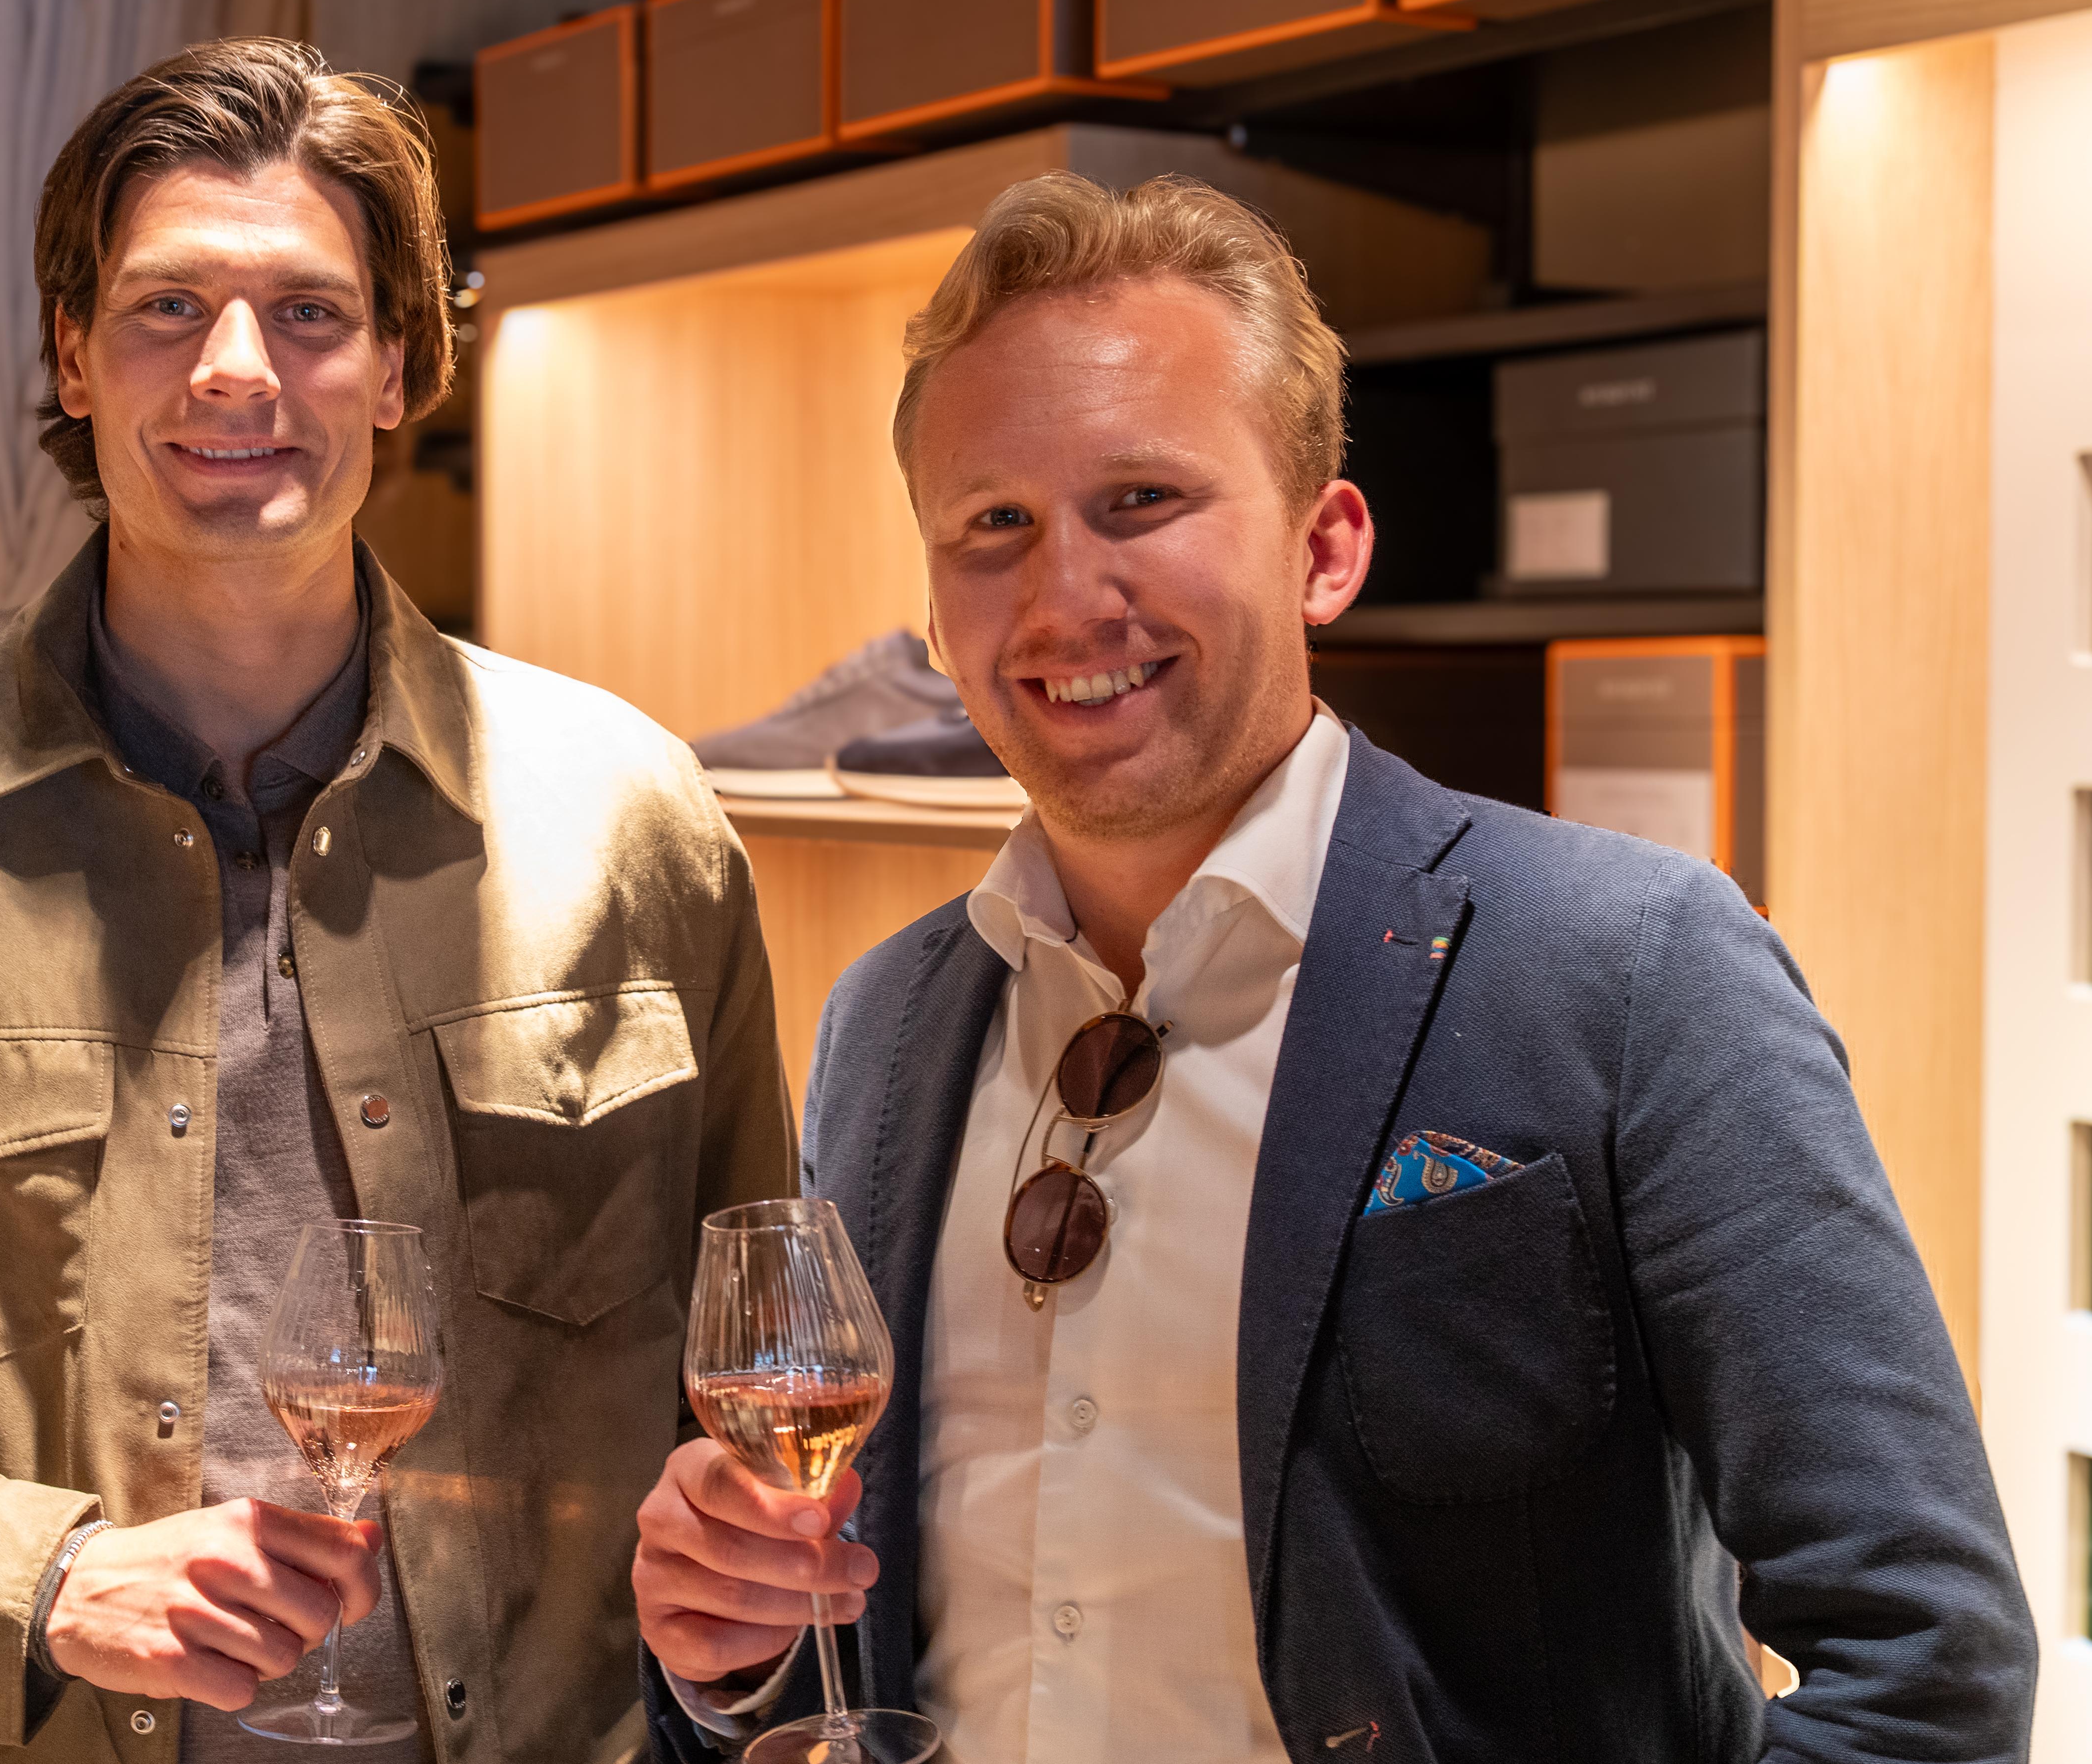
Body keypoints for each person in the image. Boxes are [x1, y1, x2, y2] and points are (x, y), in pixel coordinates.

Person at [631, 172, 2035, 1763]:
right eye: (992, 525)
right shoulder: (886, 1021)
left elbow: (1926, 1663)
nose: (1063, 594)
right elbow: (848, 1636)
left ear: (1323, 548)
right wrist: (733, 1652)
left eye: (1140, 500)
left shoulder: (1634, 967)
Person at [0, 39, 793, 1764]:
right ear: (72, 354)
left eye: (308, 313)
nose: (235, 369)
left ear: (398, 367)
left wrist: (743, 1615)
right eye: (166, 307)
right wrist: (39, 1588)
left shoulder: (636, 822)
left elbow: (750, 1387)